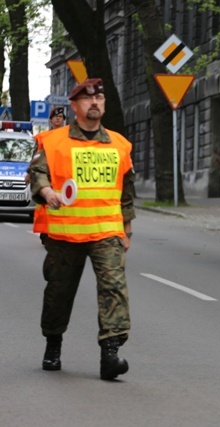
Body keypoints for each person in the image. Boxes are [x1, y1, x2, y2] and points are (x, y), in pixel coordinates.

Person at [29, 78, 136, 380]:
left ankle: (110, 354)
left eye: (100, 99)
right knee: (59, 292)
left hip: (107, 232)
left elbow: (126, 190)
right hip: (65, 233)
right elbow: (37, 174)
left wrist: (126, 229)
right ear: (75, 106)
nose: (95, 103)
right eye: (88, 100)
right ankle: (53, 343)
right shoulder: (53, 141)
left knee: (114, 288)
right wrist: (48, 193)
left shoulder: (119, 144)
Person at [30, 107, 67, 244]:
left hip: (63, 174)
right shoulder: (43, 137)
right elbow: (36, 156)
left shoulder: (68, 136)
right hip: (46, 174)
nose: (58, 119)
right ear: (51, 119)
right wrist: (30, 172)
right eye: (55, 117)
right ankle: (45, 232)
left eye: (61, 117)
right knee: (46, 203)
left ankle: (60, 231)